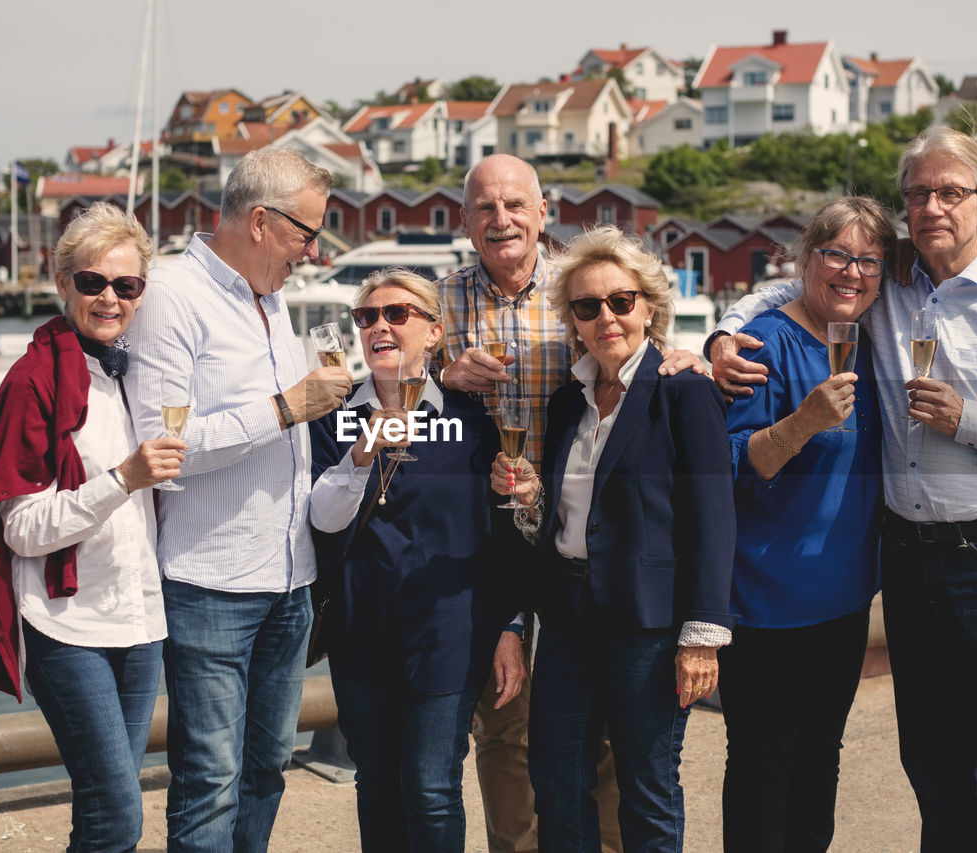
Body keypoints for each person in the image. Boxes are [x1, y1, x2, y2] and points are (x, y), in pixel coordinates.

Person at [708, 127, 977, 852]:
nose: (932, 206)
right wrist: (723, 332)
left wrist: (976, 421)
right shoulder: (887, 284)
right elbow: (799, 279)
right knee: (933, 763)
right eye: (918, 192)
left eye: (951, 192)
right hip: (909, 561)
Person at [438, 153, 702, 853]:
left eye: (515, 204)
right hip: (494, 534)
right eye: (485, 208)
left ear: (543, 211)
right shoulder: (439, 302)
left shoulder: (583, 286)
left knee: (620, 750)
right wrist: (436, 372)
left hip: (597, 535)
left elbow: (643, 355)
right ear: (464, 221)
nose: (502, 220)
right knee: (513, 732)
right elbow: (381, 375)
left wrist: (698, 355)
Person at [123, 147, 352, 852]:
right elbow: (165, 446)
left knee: (266, 770)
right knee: (209, 782)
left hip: (290, 579)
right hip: (212, 584)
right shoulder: (171, 295)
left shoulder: (272, 296)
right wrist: (288, 406)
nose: (313, 251)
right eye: (306, 233)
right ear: (260, 220)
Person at [0, 202, 186, 851]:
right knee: (116, 815)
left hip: (138, 623)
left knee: (104, 808)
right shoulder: (32, 379)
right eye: (92, 282)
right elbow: (21, 528)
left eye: (126, 284)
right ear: (63, 283)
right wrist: (122, 478)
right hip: (65, 627)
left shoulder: (137, 373)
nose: (109, 297)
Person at [498, 225, 736, 852]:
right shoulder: (566, 402)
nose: (605, 317)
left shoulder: (685, 390)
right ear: (572, 319)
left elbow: (715, 518)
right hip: (569, 620)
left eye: (620, 301)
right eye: (587, 306)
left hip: (650, 627)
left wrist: (703, 635)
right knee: (555, 780)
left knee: (647, 787)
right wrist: (529, 504)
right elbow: (567, 517)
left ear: (649, 306)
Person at [309, 269, 525, 852]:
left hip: (447, 632)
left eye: (397, 314)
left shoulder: (473, 421)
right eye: (367, 317)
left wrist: (509, 627)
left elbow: (500, 537)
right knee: (376, 782)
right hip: (361, 633)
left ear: (433, 333)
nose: (379, 326)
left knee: (431, 787)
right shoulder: (332, 420)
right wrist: (359, 457)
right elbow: (321, 521)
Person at [718, 197, 894, 852]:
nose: (852, 272)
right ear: (806, 260)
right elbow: (734, 466)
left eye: (867, 259)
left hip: (845, 600)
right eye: (837, 255)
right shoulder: (764, 340)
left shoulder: (873, 346)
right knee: (765, 765)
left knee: (821, 757)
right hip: (766, 603)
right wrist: (803, 422)